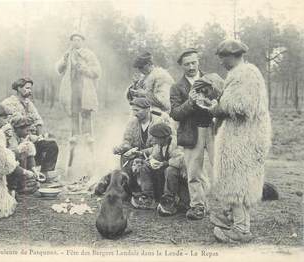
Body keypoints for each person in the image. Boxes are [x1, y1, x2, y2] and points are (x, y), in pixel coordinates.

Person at [199, 39, 272, 243]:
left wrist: (217, 108)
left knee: (238, 182)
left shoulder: (245, 74)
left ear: (234, 55)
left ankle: (241, 229)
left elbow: (242, 106)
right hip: (241, 135)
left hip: (244, 139)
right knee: (235, 179)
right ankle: (233, 218)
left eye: (223, 57)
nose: (221, 61)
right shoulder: (240, 74)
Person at [169, 48, 217, 220]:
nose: (191, 66)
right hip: (191, 132)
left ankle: (228, 206)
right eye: (187, 64)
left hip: (213, 130)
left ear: (199, 61)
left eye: (193, 62)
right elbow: (174, 113)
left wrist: (213, 100)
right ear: (182, 66)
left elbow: (222, 99)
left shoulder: (211, 80)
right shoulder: (176, 87)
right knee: (193, 172)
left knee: (220, 167)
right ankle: (198, 207)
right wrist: (190, 102)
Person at [2, 77, 59, 182]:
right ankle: (25, 174)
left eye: (30, 88)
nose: (30, 91)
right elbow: (13, 123)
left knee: (52, 145)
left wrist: (40, 136)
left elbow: (38, 120)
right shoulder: (9, 103)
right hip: (15, 139)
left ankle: (44, 174)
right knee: (25, 149)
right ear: (19, 88)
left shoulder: (29, 104)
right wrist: (29, 135)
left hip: (30, 137)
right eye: (27, 88)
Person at [111, 98, 163, 209]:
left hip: (155, 157)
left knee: (142, 166)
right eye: (133, 110)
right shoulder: (132, 122)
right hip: (137, 155)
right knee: (124, 157)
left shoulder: (159, 122)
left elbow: (160, 146)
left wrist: (141, 153)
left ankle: (148, 196)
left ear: (148, 109)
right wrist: (122, 148)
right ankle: (129, 190)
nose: (134, 113)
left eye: (137, 110)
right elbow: (127, 140)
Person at [56, 32, 101, 136]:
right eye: (74, 40)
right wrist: (64, 60)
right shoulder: (67, 54)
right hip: (72, 89)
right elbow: (59, 69)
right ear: (71, 42)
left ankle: (87, 137)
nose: (76, 42)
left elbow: (97, 71)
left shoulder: (89, 55)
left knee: (86, 113)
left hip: (85, 89)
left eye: (78, 40)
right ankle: (74, 138)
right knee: (74, 113)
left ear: (82, 42)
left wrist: (84, 69)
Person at [3, 114, 45, 193]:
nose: (28, 133)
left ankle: (21, 184)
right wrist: (25, 172)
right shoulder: (9, 135)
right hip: (5, 166)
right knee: (22, 153)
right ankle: (16, 186)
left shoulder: (20, 134)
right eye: (27, 130)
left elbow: (29, 150)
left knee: (26, 148)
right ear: (18, 129)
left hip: (13, 165)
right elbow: (9, 160)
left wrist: (35, 171)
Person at [127, 52, 175, 120]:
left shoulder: (161, 76)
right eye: (138, 68)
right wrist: (134, 86)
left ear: (149, 64)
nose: (139, 70)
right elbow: (132, 100)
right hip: (145, 114)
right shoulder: (144, 77)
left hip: (161, 115)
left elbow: (165, 103)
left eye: (141, 67)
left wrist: (144, 94)